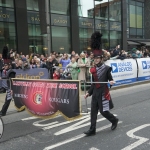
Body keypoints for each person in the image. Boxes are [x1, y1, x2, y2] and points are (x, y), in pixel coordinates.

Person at [83, 31, 119, 136]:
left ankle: (114, 120)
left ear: (101, 58)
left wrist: (111, 82)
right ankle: (92, 129)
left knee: (103, 112)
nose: (96, 60)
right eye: (95, 58)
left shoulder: (107, 68)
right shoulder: (93, 69)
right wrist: (88, 93)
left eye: (98, 58)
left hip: (103, 92)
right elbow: (93, 83)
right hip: (95, 93)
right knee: (93, 112)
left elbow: (110, 80)